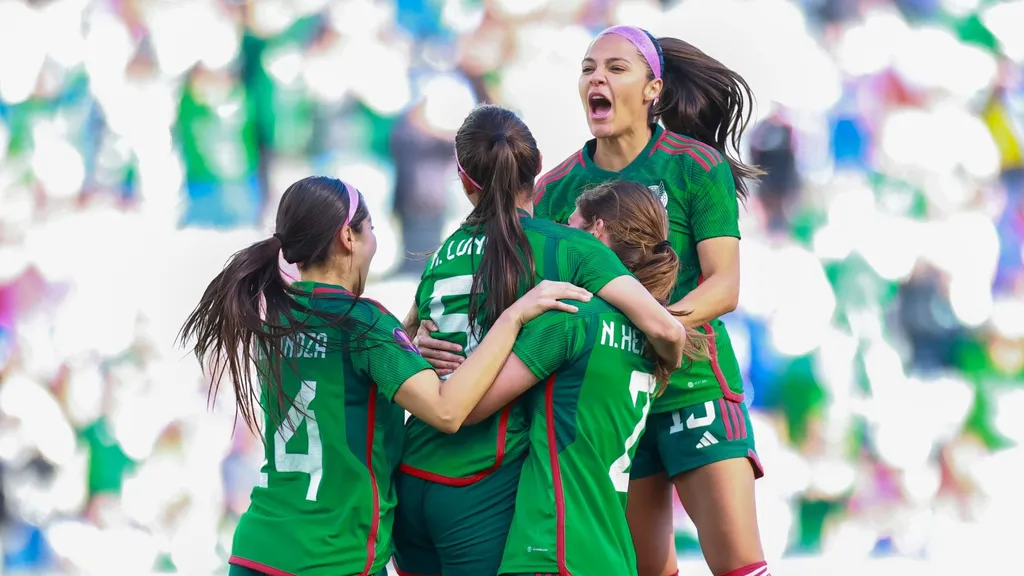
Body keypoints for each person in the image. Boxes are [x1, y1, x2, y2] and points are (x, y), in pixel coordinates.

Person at [177, 175, 591, 576]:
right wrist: (514, 317)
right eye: (371, 229)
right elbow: (448, 412)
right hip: (333, 557)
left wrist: (407, 343)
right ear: (347, 237)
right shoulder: (362, 322)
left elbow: (337, 377)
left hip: (257, 550)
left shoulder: (275, 319)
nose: (374, 241)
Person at [394, 105, 689, 576]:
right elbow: (663, 327)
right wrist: (662, 367)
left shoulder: (442, 252)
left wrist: (419, 351)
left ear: (465, 178)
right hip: (482, 481)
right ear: (537, 168)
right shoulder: (569, 247)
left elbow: (404, 334)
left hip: (410, 476)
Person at [537, 25, 771, 576]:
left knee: (740, 566)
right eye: (589, 67)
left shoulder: (695, 165)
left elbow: (724, 286)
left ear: (652, 90)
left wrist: (649, 328)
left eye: (616, 68)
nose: (598, 77)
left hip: (694, 385)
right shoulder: (554, 190)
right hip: (614, 400)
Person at [456, 180, 708, 576]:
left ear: (596, 232)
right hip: (613, 554)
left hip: (550, 549)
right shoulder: (649, 342)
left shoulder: (570, 321)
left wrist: (424, 349)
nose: (561, 236)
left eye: (570, 226)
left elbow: (465, 408)